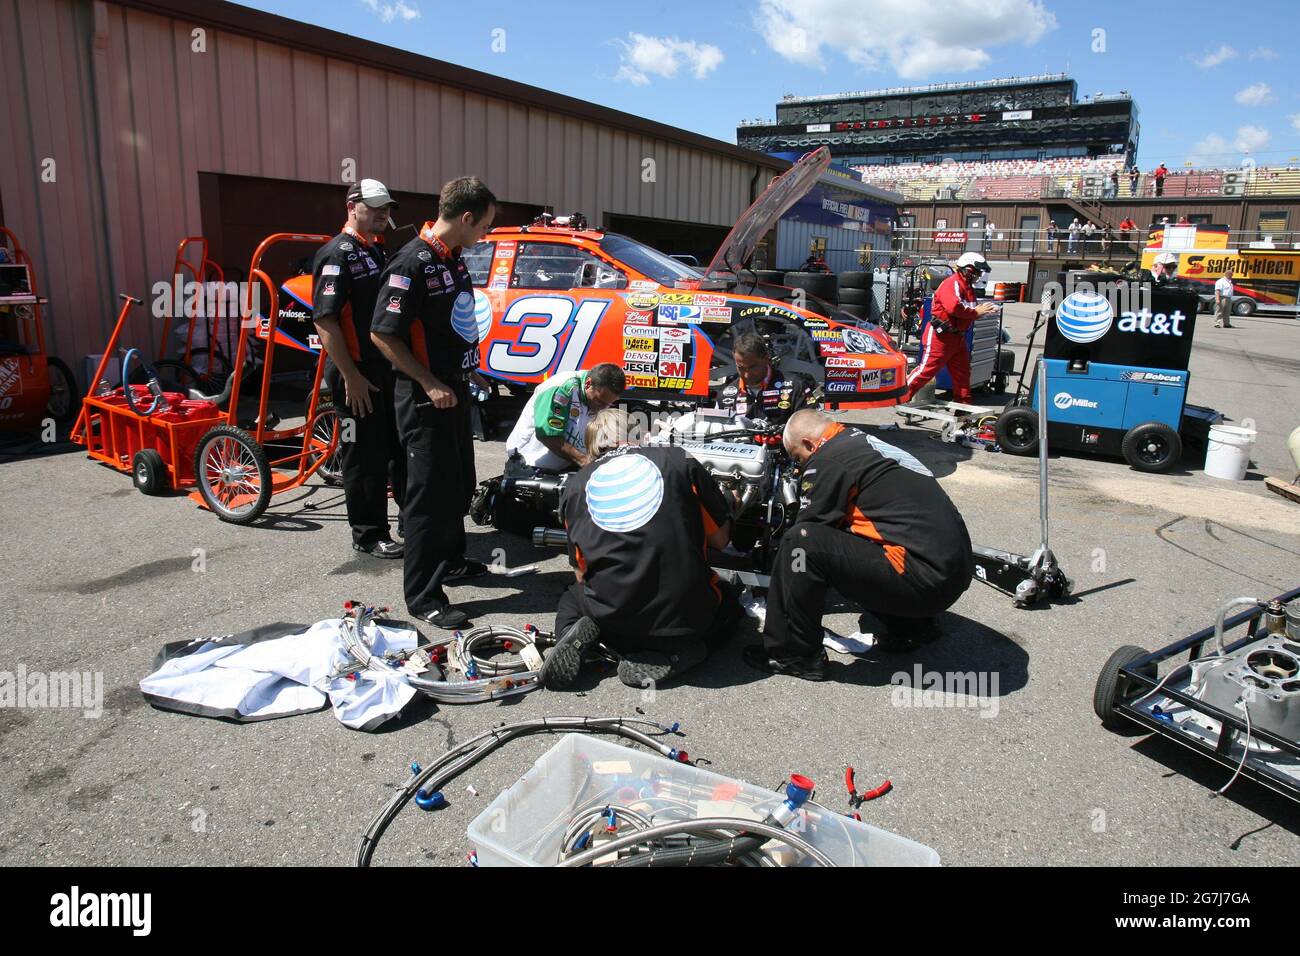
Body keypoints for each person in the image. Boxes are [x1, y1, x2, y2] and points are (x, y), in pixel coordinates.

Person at [744, 410, 974, 680]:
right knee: (853, 539)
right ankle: (911, 627)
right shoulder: (860, 442)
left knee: (801, 542)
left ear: (808, 443)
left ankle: (793, 654)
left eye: (798, 458)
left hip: (922, 580)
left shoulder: (827, 459)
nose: (799, 466)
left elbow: (810, 532)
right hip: (950, 573)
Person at [370, 176, 497, 629]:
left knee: (459, 485)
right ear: (466, 218)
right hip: (426, 397)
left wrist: (468, 368)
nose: (486, 233)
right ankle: (424, 595)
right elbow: (382, 332)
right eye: (484, 224)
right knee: (427, 498)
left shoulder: (454, 257)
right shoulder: (412, 262)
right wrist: (427, 382)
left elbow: (452, 324)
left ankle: (453, 560)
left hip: (456, 388)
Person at [540, 408, 739, 690]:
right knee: (730, 602)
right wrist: (730, 505)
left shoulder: (574, 487)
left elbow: (581, 573)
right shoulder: (678, 459)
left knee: (573, 596)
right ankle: (682, 653)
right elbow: (720, 541)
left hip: (615, 619)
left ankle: (573, 637)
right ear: (639, 434)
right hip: (682, 622)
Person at [311, 178, 405, 558]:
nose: (383, 214)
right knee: (362, 455)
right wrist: (351, 376)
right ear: (353, 206)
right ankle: (367, 535)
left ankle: (407, 522)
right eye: (375, 206)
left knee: (395, 449)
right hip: (356, 374)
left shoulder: (377, 250)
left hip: (385, 369)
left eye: (387, 207)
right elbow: (325, 320)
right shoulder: (337, 254)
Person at [484, 363, 626, 535]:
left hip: (566, 461)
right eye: (600, 401)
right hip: (532, 461)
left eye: (608, 404)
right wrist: (583, 460)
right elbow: (547, 435)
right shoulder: (561, 389)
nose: (603, 407)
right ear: (588, 384)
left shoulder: (597, 392)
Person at [900, 252, 997, 404]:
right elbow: (954, 308)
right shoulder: (953, 283)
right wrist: (976, 312)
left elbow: (967, 311)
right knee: (927, 370)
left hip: (957, 338)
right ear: (968, 270)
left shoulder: (968, 288)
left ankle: (963, 406)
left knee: (962, 374)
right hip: (941, 337)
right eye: (977, 272)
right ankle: (901, 395)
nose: (979, 276)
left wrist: (980, 311)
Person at [714, 330, 813, 426]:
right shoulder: (726, 395)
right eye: (741, 368)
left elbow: (811, 429)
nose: (747, 374)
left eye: (752, 367)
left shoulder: (796, 387)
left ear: (766, 359)